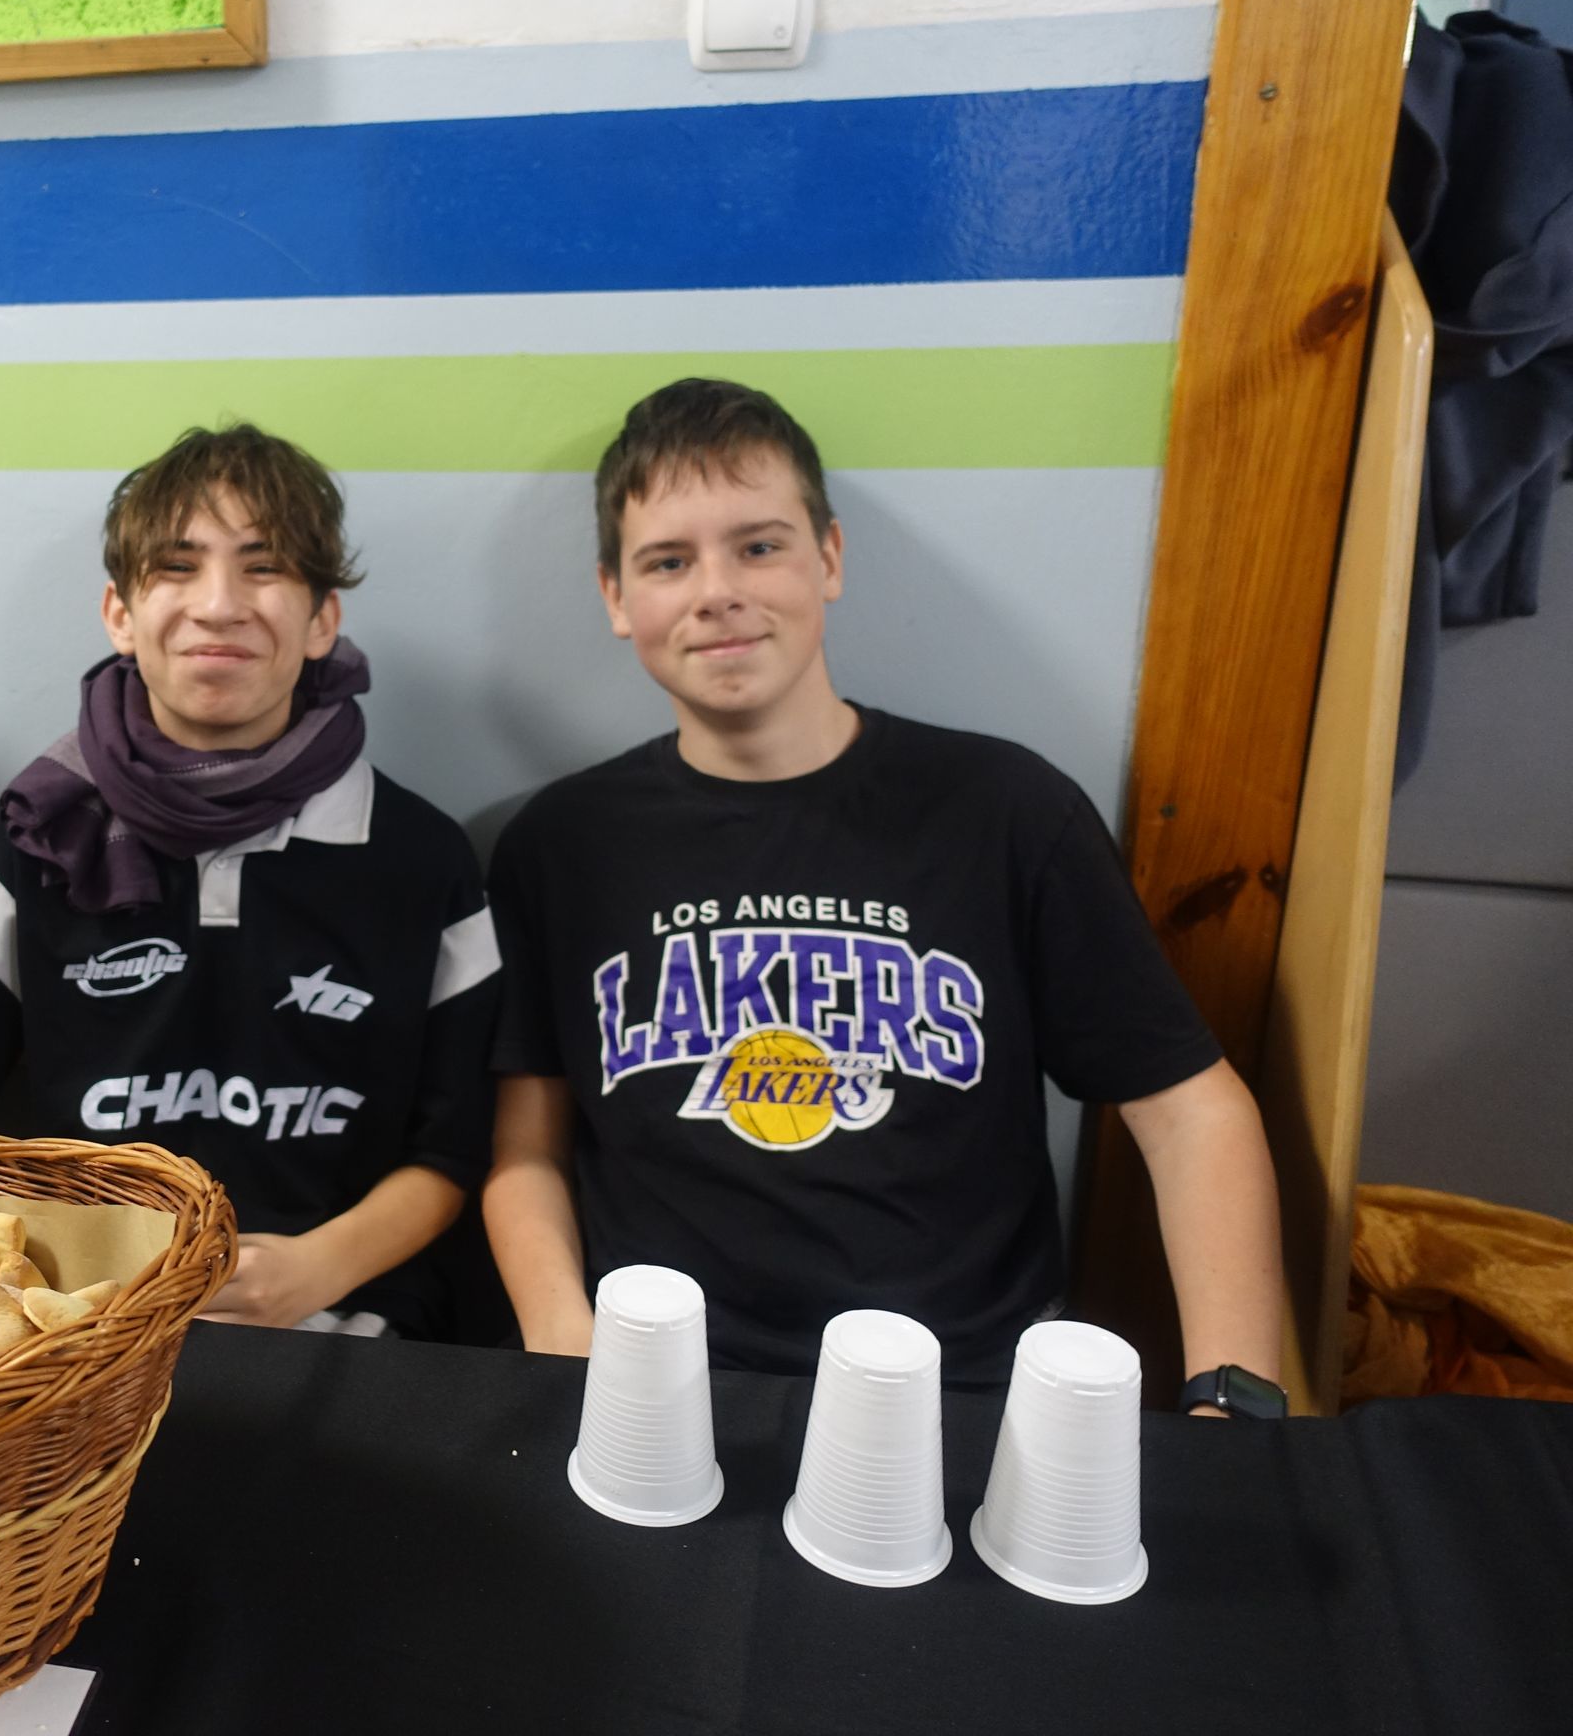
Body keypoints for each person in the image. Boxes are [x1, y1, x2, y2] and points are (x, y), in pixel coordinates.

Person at [483, 378, 1286, 1399]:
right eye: (668, 561)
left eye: (759, 546)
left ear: (829, 557)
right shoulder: (560, 846)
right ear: (615, 596)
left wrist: (1238, 1401)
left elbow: (1190, 1114)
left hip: (963, 1390)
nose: (716, 591)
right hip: (660, 1387)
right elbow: (527, 1153)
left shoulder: (1006, 810)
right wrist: (563, 1337)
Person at [0, 424, 500, 1339]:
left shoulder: (423, 858)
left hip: (353, 1327)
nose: (218, 606)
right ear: (120, 613)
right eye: (178, 568)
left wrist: (318, 1269)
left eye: (263, 567)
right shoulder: (30, 838)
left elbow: (456, 1151)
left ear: (322, 620)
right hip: (78, 1333)